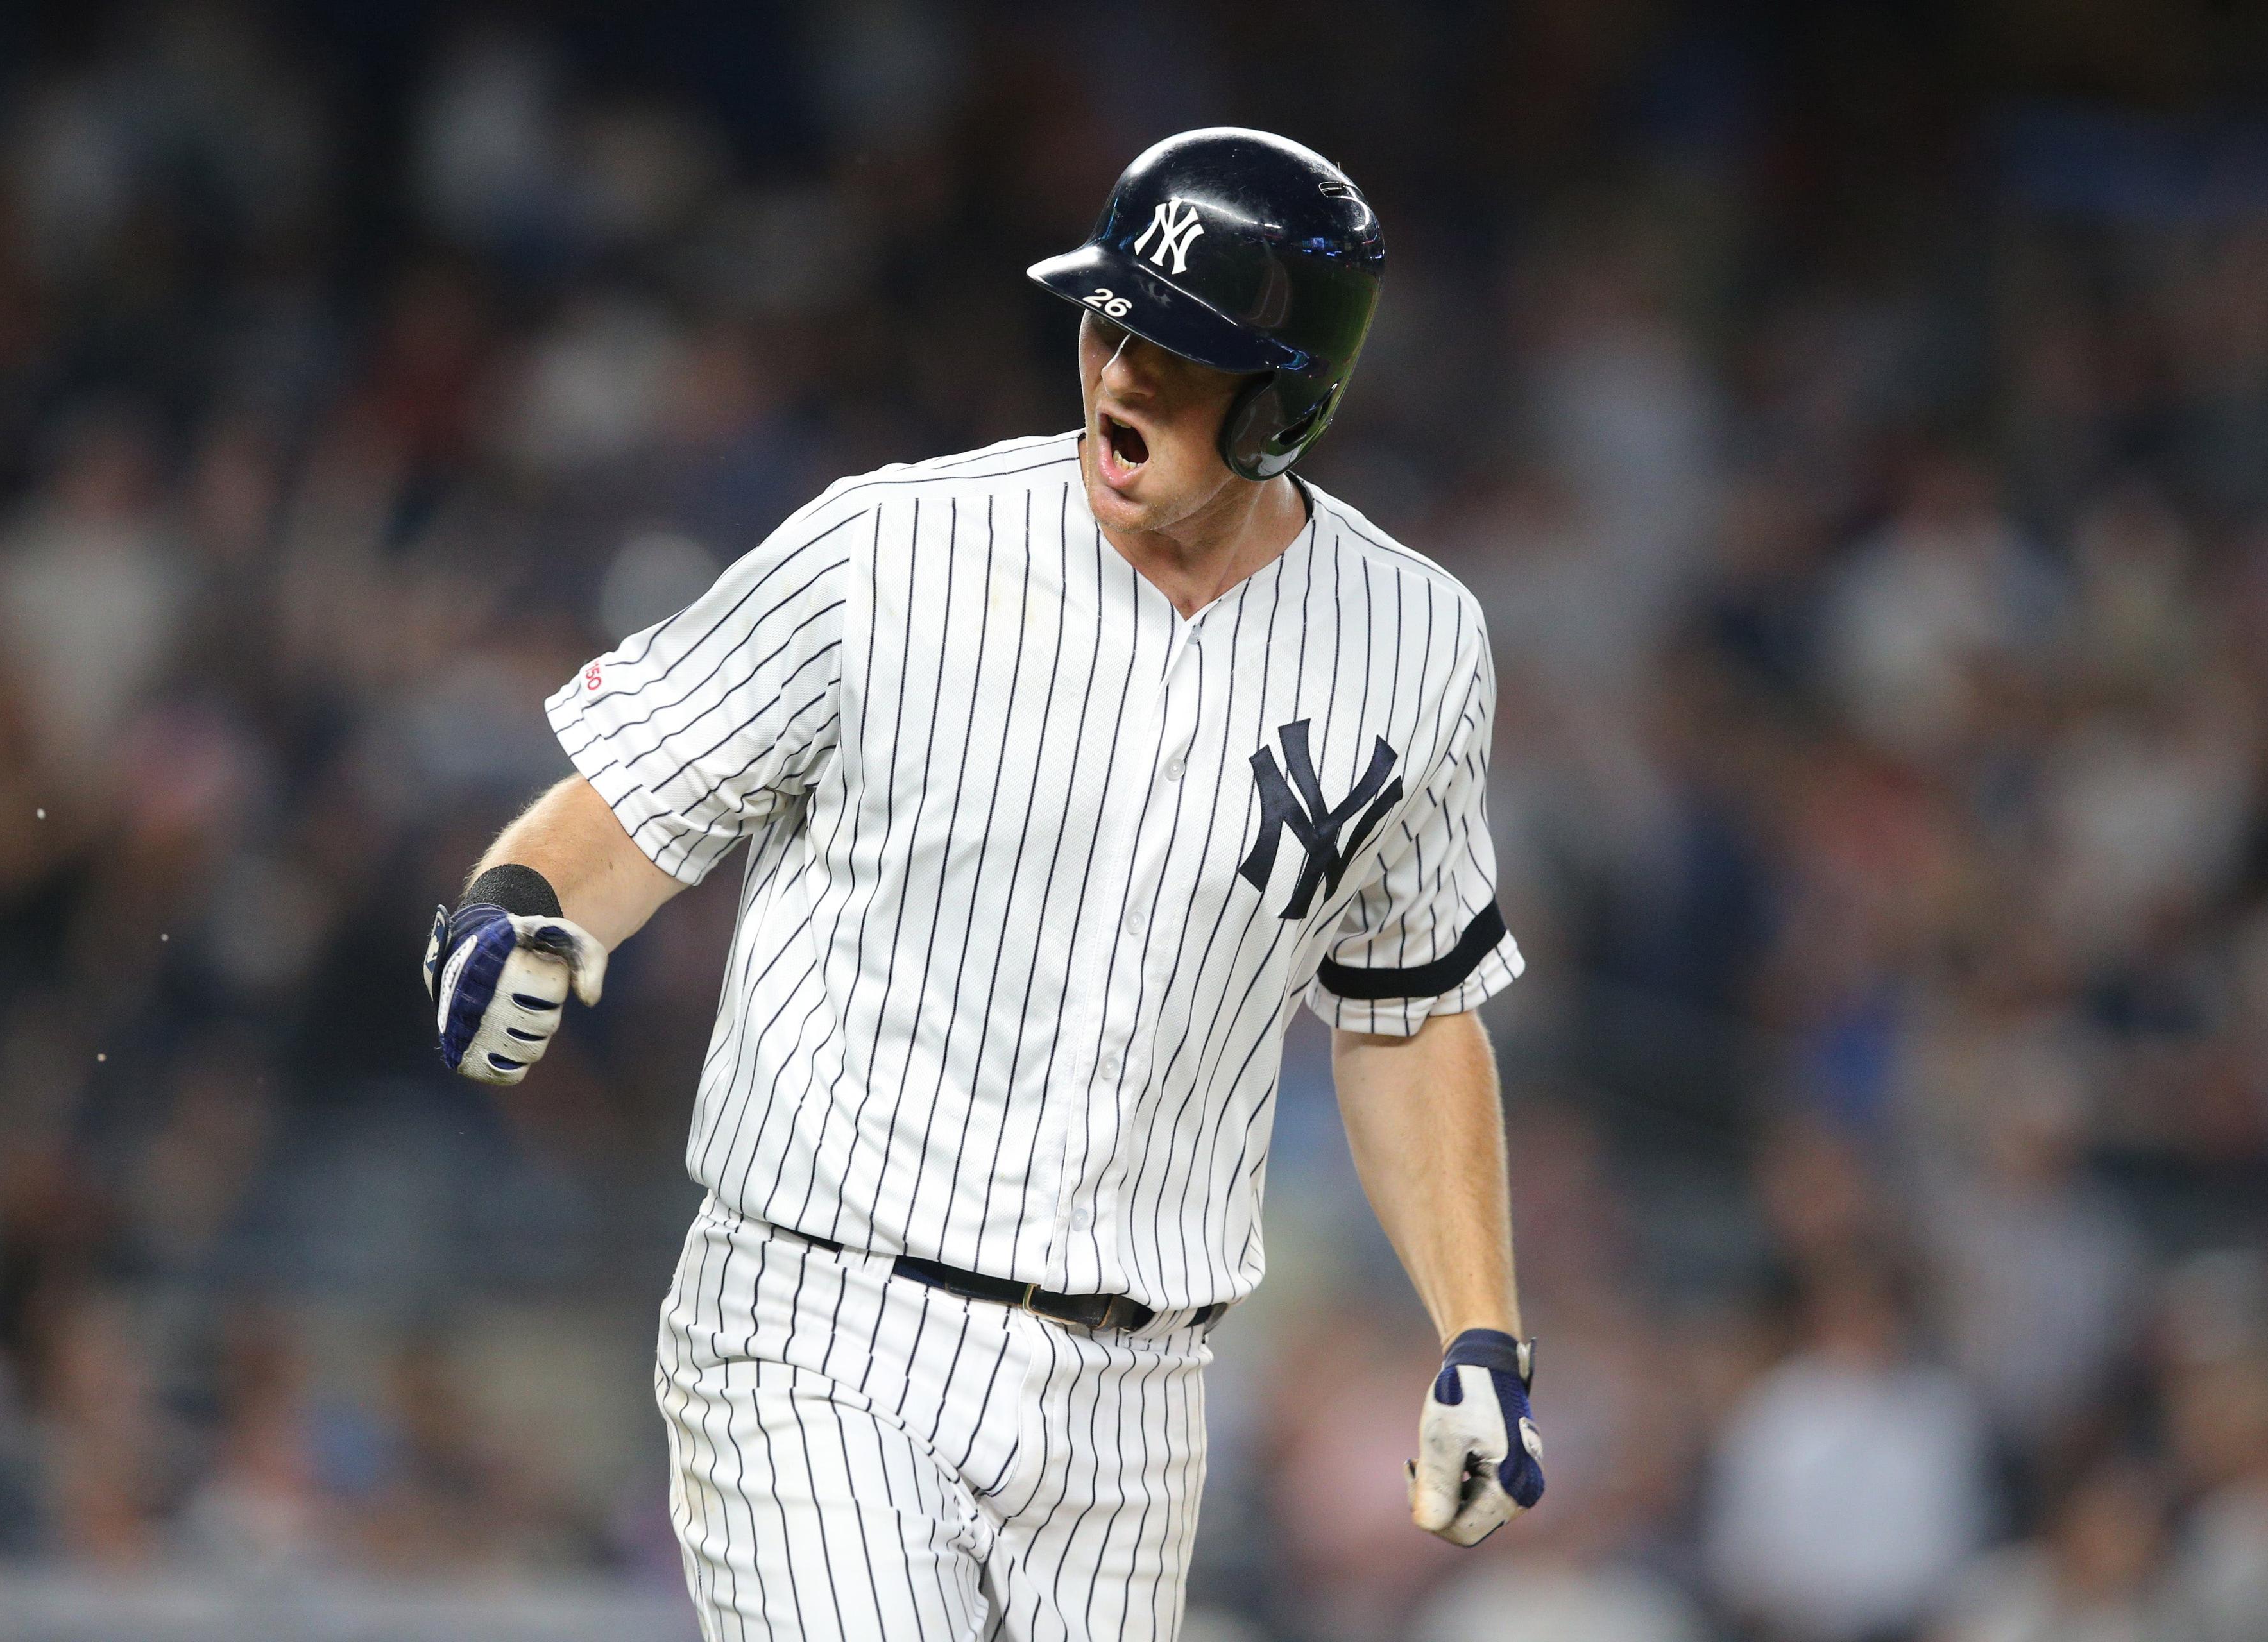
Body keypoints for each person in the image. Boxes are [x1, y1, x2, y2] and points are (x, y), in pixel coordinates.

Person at [422, 126, 1544, 1640]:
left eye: (1183, 353)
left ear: (1287, 403)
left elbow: (1408, 1010)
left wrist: (1481, 1329)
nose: (1125, 374)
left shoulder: (1417, 643)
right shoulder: (892, 547)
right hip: (821, 1327)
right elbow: (632, 803)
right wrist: (513, 905)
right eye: (1112, 322)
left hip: (1137, 1406)